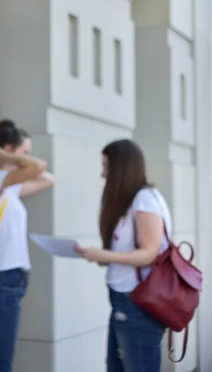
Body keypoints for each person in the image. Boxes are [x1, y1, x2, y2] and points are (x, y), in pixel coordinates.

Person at [75, 139, 169, 372]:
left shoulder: (144, 200)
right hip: (125, 302)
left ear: (122, 168)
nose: (103, 173)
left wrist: (106, 256)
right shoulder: (134, 201)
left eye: (107, 166)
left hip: (136, 303)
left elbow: (149, 252)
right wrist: (101, 256)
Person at [0, 120, 54, 372]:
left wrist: (13, 158)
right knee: (1, 359)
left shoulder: (8, 187)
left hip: (11, 278)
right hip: (0, 278)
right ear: (7, 149)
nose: (29, 158)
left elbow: (47, 178)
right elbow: (39, 167)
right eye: (25, 152)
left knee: (2, 356)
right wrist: (8, 158)